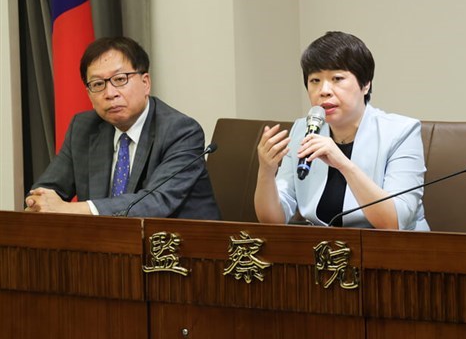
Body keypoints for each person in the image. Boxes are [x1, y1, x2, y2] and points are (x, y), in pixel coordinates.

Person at [25, 37, 221, 219]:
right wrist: (40, 201)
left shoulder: (180, 131)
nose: (110, 93)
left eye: (120, 80)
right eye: (98, 84)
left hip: (179, 248)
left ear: (146, 83)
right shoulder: (84, 127)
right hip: (111, 247)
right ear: (89, 93)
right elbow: (49, 187)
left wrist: (68, 209)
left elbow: (155, 202)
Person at [254, 31, 428, 230]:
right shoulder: (303, 129)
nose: (324, 90)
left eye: (337, 78)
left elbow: (394, 222)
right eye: (315, 81)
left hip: (392, 252)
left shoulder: (401, 132)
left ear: (366, 84)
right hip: (325, 252)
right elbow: (272, 220)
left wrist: (343, 164)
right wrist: (266, 172)